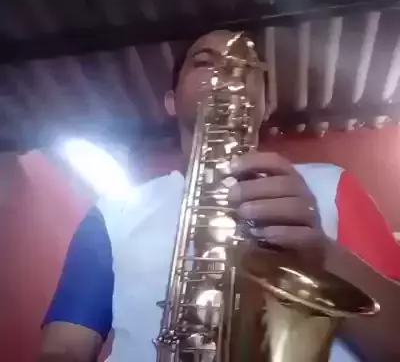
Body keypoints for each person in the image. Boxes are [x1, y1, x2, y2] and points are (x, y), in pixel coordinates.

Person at [39, 30, 400, 362]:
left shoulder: (332, 184)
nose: (229, 72)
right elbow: (65, 350)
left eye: (248, 67)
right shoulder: (112, 213)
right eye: (204, 62)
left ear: (265, 104)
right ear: (171, 101)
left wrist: (322, 252)